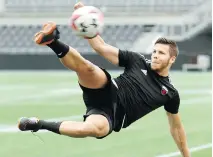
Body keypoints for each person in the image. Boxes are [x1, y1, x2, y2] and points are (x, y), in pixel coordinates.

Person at [18, 2, 190, 156]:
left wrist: (186, 155)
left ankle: (38, 124)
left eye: (161, 53)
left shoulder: (171, 94)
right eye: (154, 51)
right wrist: (86, 19)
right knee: (89, 69)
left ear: (172, 59)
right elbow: (101, 46)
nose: (155, 56)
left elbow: (176, 127)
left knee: (92, 129)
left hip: (111, 115)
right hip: (108, 88)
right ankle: (52, 41)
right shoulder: (138, 60)